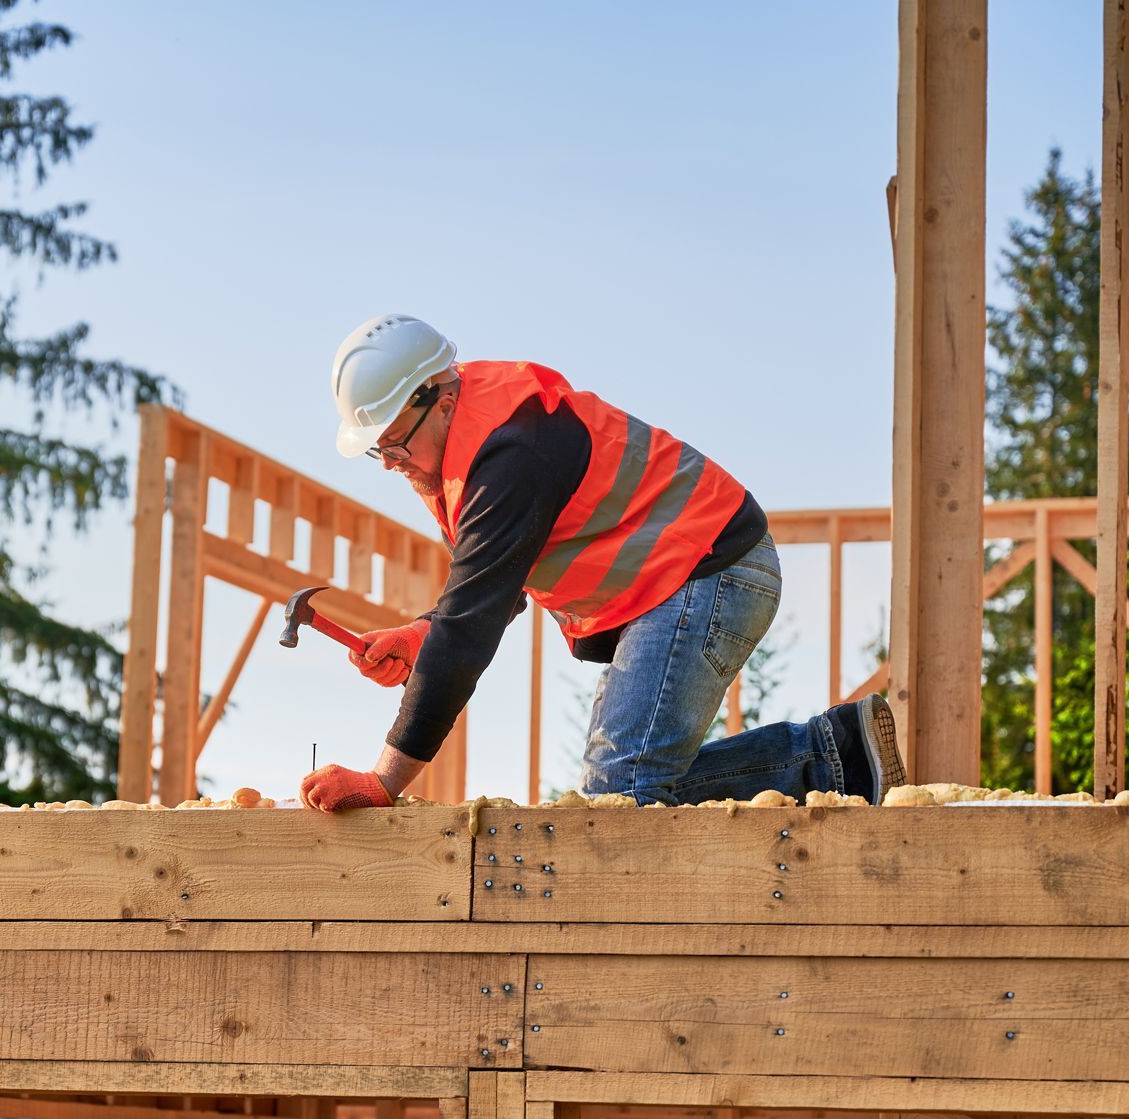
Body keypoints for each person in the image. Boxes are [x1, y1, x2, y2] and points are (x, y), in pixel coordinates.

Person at [297, 314, 906, 813]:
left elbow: (468, 633)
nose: (389, 462)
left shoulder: (512, 450)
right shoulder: (467, 443)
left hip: (708, 572)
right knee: (623, 791)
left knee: (621, 791)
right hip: (685, 579)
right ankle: (834, 758)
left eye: (396, 442)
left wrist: (385, 779)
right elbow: (501, 578)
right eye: (377, 448)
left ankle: (829, 761)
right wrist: (423, 630)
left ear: (443, 397)